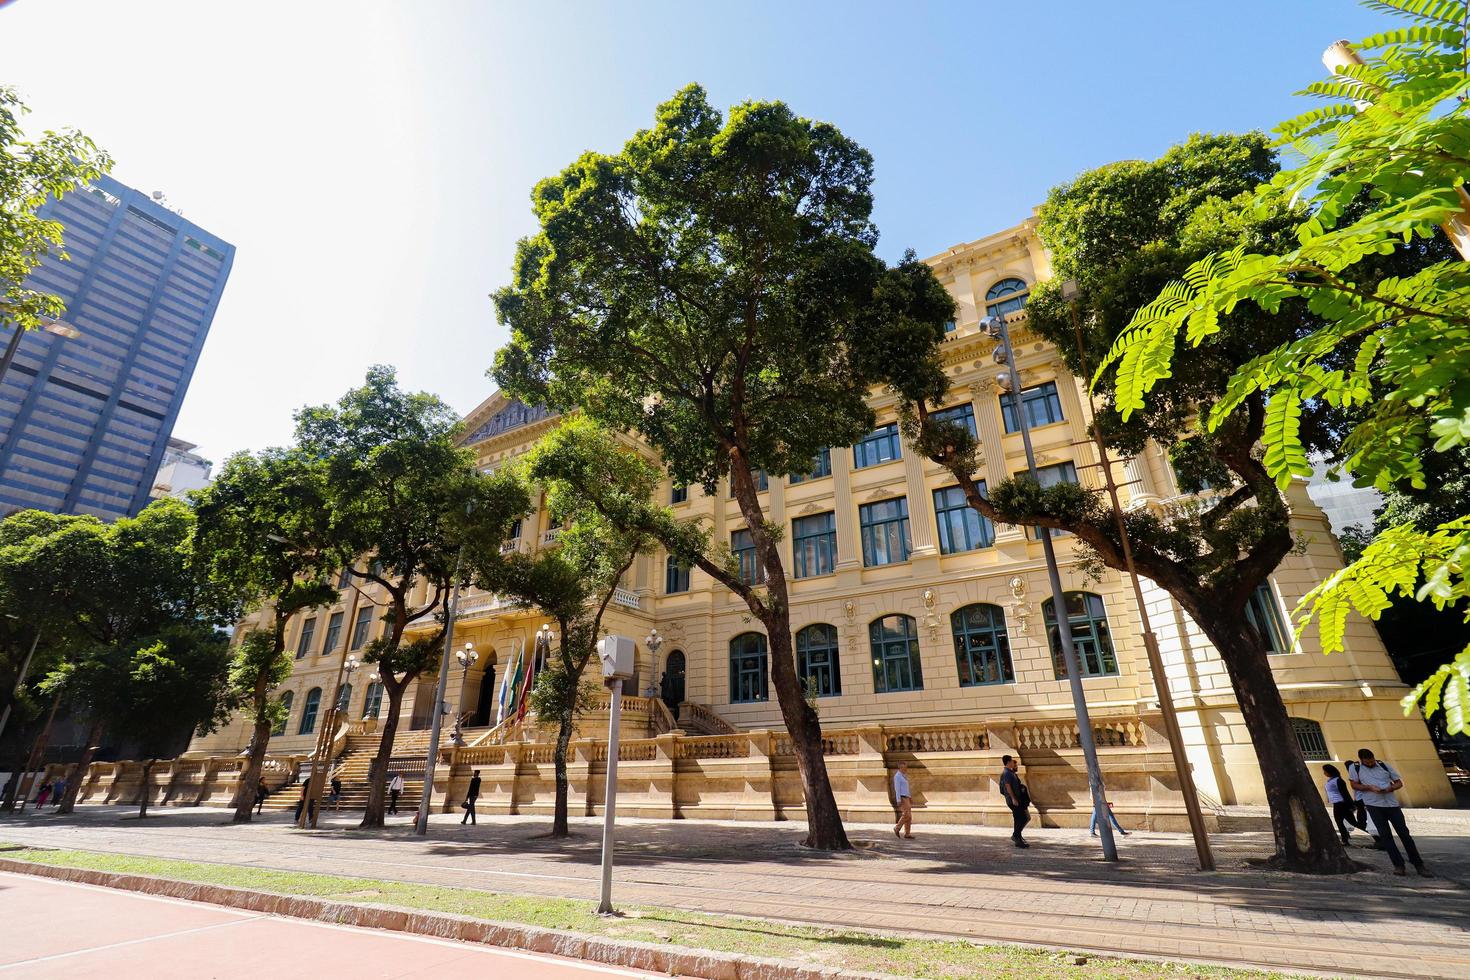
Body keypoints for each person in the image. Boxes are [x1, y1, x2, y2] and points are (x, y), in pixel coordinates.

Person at [1349, 748, 1433, 878]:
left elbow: (1399, 783)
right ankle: (1399, 865)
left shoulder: (1384, 765)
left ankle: (1418, 864)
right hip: (1374, 805)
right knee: (1386, 836)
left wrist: (1391, 788)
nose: (1370, 763)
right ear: (1362, 760)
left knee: (1405, 834)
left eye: (1372, 761)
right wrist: (1369, 787)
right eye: (1367, 762)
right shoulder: (1355, 768)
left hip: (1392, 804)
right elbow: (1354, 785)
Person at [1346, 758, 1384, 849]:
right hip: (1359, 801)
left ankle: (1380, 839)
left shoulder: (1359, 776)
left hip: (1363, 801)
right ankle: (1379, 839)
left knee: (1363, 822)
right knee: (1362, 822)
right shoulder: (1355, 776)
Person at [1322, 764, 1364, 846]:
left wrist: (1351, 805)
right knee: (1340, 822)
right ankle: (1345, 839)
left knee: (1352, 822)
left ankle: (1375, 834)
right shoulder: (1331, 780)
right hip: (1337, 804)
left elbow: (1345, 793)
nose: (1324, 773)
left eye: (1325, 771)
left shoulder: (1338, 780)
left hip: (1341, 804)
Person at [999, 755, 1030, 848]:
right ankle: (1016, 836)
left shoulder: (1010, 772)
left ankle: (1018, 838)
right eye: (1012, 761)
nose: (1013, 763)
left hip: (1016, 799)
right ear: (1008, 762)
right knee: (1023, 818)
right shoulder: (1006, 773)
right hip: (1013, 800)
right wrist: (1013, 798)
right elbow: (1008, 786)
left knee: (1019, 818)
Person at [892, 762, 914, 839]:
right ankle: (897, 828)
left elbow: (906, 788)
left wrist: (910, 797)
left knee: (909, 816)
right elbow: (897, 789)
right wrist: (898, 799)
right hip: (902, 797)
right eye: (904, 767)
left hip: (906, 797)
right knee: (906, 814)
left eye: (906, 767)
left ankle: (907, 833)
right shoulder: (897, 776)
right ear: (900, 768)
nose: (906, 769)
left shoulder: (904, 776)